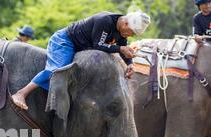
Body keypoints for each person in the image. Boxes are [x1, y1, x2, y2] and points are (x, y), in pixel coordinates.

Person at [11, 11, 151, 110]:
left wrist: (130, 64)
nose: (131, 35)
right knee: (57, 71)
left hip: (82, 47)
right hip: (65, 41)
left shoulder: (122, 32)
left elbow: (124, 48)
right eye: (132, 32)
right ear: (125, 23)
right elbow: (99, 45)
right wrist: (120, 49)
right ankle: (21, 93)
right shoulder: (105, 21)